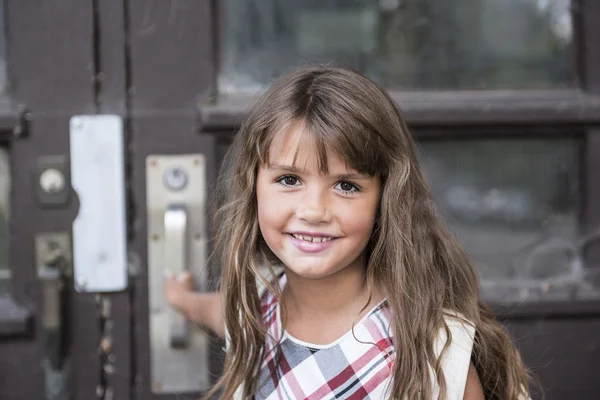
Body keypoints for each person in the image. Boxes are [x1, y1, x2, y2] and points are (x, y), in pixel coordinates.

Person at [164, 67, 531, 399]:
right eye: (289, 179)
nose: (314, 211)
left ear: (385, 198)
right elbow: (220, 312)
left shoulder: (432, 353)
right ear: (253, 186)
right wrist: (182, 300)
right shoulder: (256, 307)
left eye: (346, 186)